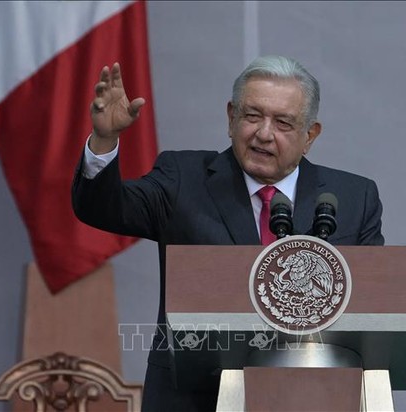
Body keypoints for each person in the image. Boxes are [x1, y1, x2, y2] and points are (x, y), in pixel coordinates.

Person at [72, 55, 384, 411]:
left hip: (314, 398)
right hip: (194, 398)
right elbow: (103, 208)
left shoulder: (353, 197)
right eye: (252, 116)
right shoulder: (183, 179)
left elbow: (372, 309)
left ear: (310, 135)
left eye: (283, 122)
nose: (264, 134)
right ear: (230, 118)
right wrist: (104, 139)